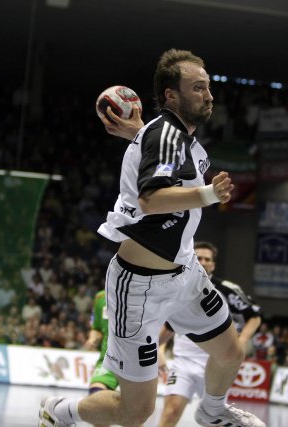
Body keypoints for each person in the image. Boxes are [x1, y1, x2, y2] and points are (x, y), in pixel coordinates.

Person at [38, 48, 265, 427]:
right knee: (136, 412)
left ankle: (212, 413)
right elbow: (152, 198)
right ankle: (60, 411)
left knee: (230, 352)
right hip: (140, 288)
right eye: (198, 88)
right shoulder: (164, 136)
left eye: (208, 87)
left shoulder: (172, 136)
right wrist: (210, 194)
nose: (209, 96)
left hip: (186, 271)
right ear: (171, 95)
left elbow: (167, 151)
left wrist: (140, 132)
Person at [157, 241, 262, 427]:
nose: (203, 262)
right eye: (198, 258)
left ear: (213, 265)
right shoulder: (179, 289)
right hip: (183, 362)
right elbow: (169, 325)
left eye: (207, 259)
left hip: (216, 364)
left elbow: (254, 316)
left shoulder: (228, 290)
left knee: (212, 419)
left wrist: (242, 341)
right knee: (171, 411)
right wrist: (158, 350)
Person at [83, 289, 116, 427]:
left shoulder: (141, 292)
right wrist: (92, 339)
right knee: (96, 402)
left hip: (133, 362)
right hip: (107, 361)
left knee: (134, 415)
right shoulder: (101, 297)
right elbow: (96, 327)